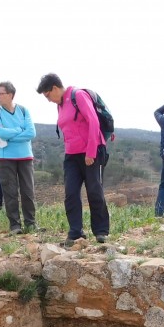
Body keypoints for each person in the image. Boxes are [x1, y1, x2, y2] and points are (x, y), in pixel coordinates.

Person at [36, 73, 109, 244]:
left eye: (48, 95)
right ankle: (76, 231)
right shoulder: (60, 105)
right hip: (71, 155)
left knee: (94, 190)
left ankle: (101, 231)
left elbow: (93, 122)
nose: (48, 100)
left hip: (92, 151)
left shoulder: (78, 96)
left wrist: (90, 152)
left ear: (55, 88)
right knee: (71, 193)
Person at [0, 81, 37, 234]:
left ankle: (30, 224)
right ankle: (15, 226)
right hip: (5, 157)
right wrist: (19, 130)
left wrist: (10, 135)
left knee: (28, 191)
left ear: (10, 95)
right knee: (10, 192)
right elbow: (0, 133)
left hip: (25, 157)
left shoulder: (23, 110)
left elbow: (31, 133)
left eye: (0, 93)